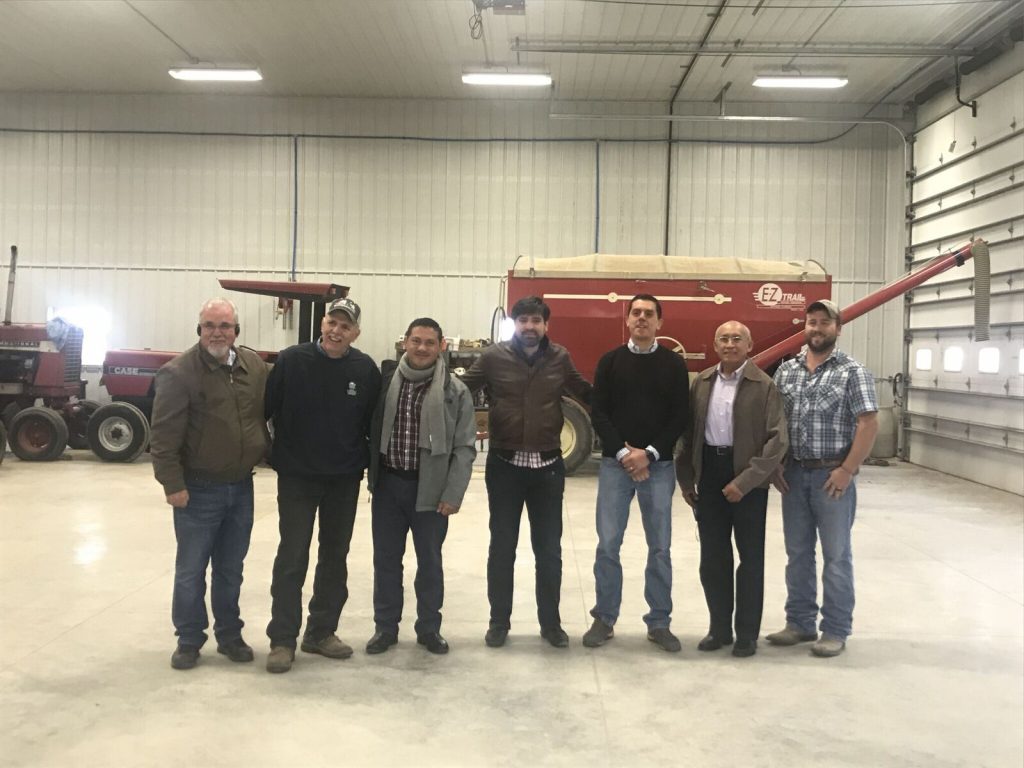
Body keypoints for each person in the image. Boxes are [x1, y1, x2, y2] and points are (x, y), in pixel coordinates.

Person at [460, 295, 591, 648]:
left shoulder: (559, 357)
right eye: (523, 321)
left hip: (548, 469)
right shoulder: (492, 358)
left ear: (546, 325)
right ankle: (498, 622)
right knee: (502, 548)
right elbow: (459, 392)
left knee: (549, 551)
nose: (529, 327)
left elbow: (586, 392)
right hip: (505, 468)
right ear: (514, 324)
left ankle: (551, 625)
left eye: (536, 321)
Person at [151, 298, 270, 670]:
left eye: (225, 325)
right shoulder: (179, 373)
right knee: (191, 569)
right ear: (198, 329)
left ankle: (229, 635)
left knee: (231, 568)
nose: (217, 332)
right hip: (198, 490)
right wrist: (173, 484)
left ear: (236, 331)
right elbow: (163, 436)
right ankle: (188, 639)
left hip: (241, 487)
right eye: (209, 325)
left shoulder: (254, 367)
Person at [263, 297, 381, 673]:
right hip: (297, 477)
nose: (336, 331)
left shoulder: (365, 370)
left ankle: (320, 632)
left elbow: (371, 425)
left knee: (334, 558)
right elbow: (266, 410)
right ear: (322, 324)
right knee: (292, 556)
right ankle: (282, 639)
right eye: (332, 322)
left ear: (356, 333)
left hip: (343, 480)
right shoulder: (291, 360)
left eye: (345, 326)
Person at [768, 299, 878, 658]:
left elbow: (868, 423)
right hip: (794, 473)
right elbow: (777, 425)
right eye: (811, 322)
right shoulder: (787, 371)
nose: (817, 328)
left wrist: (847, 470)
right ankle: (799, 623)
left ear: (838, 329)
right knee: (797, 553)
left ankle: (835, 629)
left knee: (836, 556)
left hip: (832, 476)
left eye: (824, 323)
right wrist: (778, 464)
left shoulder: (852, 371)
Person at [583, 294, 690, 652]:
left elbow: (679, 416)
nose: (642, 318)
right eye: (636, 313)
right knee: (608, 545)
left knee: (660, 547)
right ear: (627, 320)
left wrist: (651, 454)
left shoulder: (674, 365)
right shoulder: (610, 362)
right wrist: (625, 453)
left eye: (649, 314)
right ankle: (605, 618)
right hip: (617, 466)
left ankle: (659, 622)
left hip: (658, 468)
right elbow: (599, 413)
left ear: (660, 322)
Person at [364, 318, 477, 656]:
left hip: (430, 492)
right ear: (405, 343)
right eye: (416, 341)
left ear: (441, 346)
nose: (422, 348)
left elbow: (465, 446)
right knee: (386, 562)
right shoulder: (386, 383)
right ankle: (385, 628)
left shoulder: (454, 391)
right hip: (388, 487)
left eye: (430, 342)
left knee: (429, 563)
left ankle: (429, 628)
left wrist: (452, 493)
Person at [675, 321, 787, 658]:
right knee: (713, 558)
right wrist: (686, 478)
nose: (730, 343)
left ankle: (746, 635)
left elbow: (777, 439)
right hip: (709, 474)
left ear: (749, 345)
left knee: (750, 559)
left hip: (747, 478)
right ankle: (719, 629)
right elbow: (687, 433)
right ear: (714, 344)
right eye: (723, 338)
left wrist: (745, 482)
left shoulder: (764, 385)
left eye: (737, 338)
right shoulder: (702, 383)